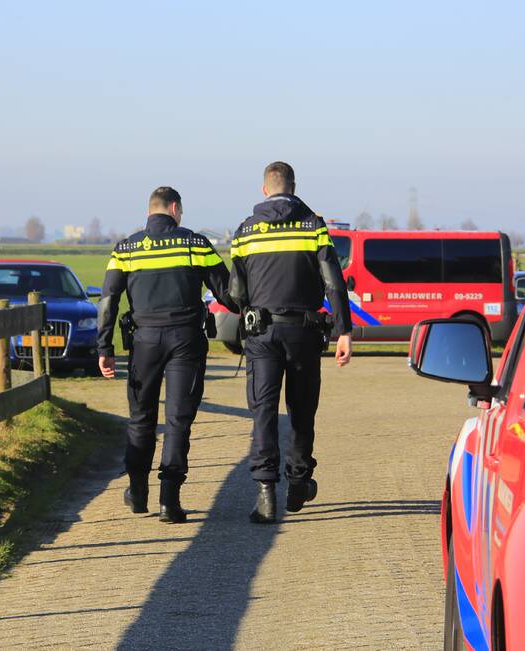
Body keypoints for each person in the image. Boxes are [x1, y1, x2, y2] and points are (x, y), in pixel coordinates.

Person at [97, 187, 236, 523]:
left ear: (150, 211)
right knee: (177, 421)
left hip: (144, 342)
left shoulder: (126, 248)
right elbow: (228, 293)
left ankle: (138, 491)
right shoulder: (195, 244)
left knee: (141, 418)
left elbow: (108, 301)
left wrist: (105, 347)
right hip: (186, 341)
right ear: (175, 208)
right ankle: (169, 501)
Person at [229, 161, 352, 523]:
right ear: (294, 188)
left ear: (264, 189)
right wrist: (344, 331)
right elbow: (333, 281)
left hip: (262, 335)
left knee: (264, 412)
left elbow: (236, 291)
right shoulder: (314, 226)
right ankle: (298, 484)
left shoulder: (244, 231)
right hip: (304, 332)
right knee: (302, 411)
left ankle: (266, 495)